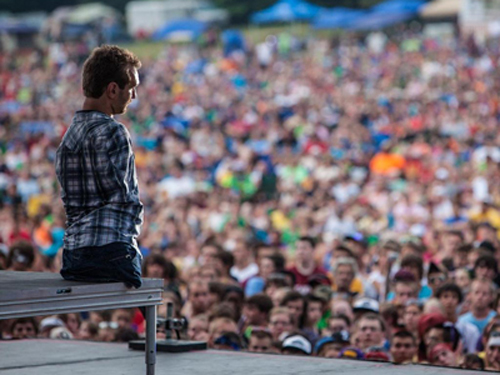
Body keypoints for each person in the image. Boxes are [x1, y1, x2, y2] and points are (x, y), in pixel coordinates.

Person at [56, 45, 144, 288]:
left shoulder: (68, 137)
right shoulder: (114, 131)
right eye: (132, 88)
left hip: (74, 255)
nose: (134, 96)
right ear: (113, 89)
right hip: (112, 251)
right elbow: (125, 199)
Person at [435, 283, 480, 353]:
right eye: (445, 296)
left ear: (459, 302)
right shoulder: (434, 329)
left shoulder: (470, 330)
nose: (450, 301)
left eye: (454, 297)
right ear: (439, 300)